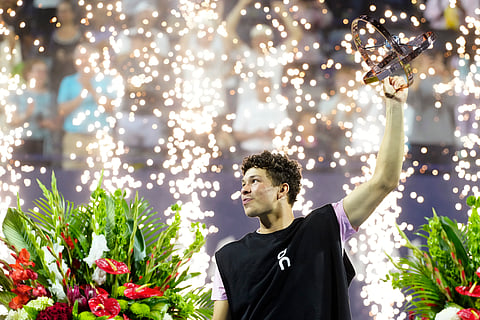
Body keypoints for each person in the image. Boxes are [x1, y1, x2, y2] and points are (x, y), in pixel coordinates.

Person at [211, 76, 407, 320]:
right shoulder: (227, 258)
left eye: (255, 181)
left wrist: (395, 104)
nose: (245, 190)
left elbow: (385, 180)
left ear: (282, 190)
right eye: (243, 184)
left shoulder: (323, 227)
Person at [225, 0, 302, 155]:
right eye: (258, 38)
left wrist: (282, 11)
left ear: (270, 41)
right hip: (247, 113)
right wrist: (241, 5)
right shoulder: (247, 55)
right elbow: (228, 30)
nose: (261, 42)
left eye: (264, 38)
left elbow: (297, 35)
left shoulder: (276, 56)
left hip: (272, 110)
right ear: (253, 41)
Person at [57, 42, 120, 170]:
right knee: (70, 177)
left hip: (101, 138)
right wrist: (82, 95)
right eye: (79, 58)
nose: (82, 61)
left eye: (86, 57)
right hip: (74, 138)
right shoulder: (68, 81)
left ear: (95, 58)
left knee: (101, 180)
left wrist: (91, 89)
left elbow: (110, 108)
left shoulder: (108, 80)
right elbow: (62, 110)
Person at [9, 58, 59, 165]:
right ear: (28, 73)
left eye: (44, 72)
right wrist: (27, 114)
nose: (42, 75)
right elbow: (12, 121)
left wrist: (48, 124)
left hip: (44, 145)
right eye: (38, 71)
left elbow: (58, 124)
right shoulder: (17, 95)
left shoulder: (51, 96)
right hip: (21, 143)